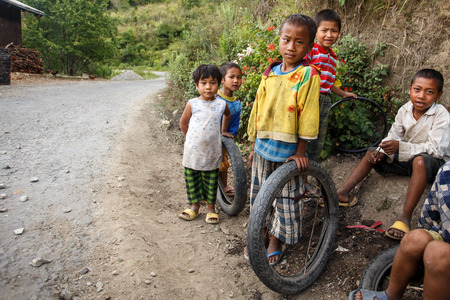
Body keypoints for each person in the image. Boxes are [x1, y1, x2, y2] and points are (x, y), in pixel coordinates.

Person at [337, 69, 449, 239]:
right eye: (417, 90)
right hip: (408, 158)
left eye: (429, 92)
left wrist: (400, 147)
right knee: (372, 153)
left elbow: (436, 149)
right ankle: (342, 193)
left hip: (432, 164)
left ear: (438, 96)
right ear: (409, 88)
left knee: (419, 161)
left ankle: (404, 219)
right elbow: (393, 135)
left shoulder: (442, 115)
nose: (421, 96)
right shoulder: (405, 109)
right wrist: (383, 151)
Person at [245, 14, 321, 264]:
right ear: (279, 40)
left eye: (299, 42)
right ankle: (261, 232)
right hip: (263, 149)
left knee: (287, 200)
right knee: (259, 197)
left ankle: (277, 239)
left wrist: (301, 150)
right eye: (286, 40)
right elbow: (258, 109)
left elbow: (308, 114)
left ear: (309, 47)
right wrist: (254, 143)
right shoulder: (269, 74)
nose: (291, 47)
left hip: (289, 153)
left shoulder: (307, 75)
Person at [348, 160, 450, 300]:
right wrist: (420, 255)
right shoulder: (447, 172)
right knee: (415, 239)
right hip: (445, 237)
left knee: (437, 253)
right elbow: (430, 213)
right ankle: (391, 295)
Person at [178, 64, 231, 224]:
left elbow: (227, 115)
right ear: (197, 85)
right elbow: (183, 123)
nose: (208, 87)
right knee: (192, 179)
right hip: (192, 152)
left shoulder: (221, 104)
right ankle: (194, 207)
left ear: (219, 84)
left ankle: (211, 209)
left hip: (212, 152)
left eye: (212, 82)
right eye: (203, 83)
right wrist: (191, 139)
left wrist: (223, 131)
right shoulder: (192, 104)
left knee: (210, 181)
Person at [305, 9, 357, 163]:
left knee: (318, 140)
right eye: (324, 30)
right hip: (310, 98)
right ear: (315, 31)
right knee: (304, 136)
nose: (329, 35)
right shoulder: (311, 50)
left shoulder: (332, 56)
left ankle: (308, 175)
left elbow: (328, 83)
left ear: (339, 33)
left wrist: (343, 94)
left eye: (334, 31)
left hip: (325, 101)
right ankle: (295, 176)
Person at [217, 62, 243, 197]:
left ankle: (224, 187)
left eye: (239, 77)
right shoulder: (214, 98)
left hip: (225, 140)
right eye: (231, 77)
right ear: (222, 79)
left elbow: (234, 125)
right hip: (210, 138)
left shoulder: (237, 103)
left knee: (224, 165)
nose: (236, 81)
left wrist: (229, 138)